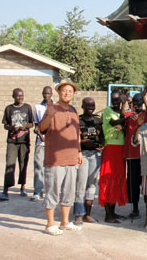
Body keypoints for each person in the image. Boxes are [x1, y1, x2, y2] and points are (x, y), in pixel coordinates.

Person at [39, 79, 83, 235]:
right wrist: (49, 117)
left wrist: (79, 151)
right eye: (64, 90)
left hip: (71, 158)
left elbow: (77, 134)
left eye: (70, 91)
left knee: (69, 192)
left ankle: (65, 222)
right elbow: (42, 128)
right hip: (55, 159)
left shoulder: (73, 110)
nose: (67, 93)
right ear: (58, 92)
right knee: (53, 191)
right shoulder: (52, 108)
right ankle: (50, 224)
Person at [0, 88, 34, 201]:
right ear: (13, 96)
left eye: (22, 96)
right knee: (9, 164)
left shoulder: (27, 107)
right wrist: (12, 127)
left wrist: (25, 126)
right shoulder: (9, 109)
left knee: (23, 164)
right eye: (18, 96)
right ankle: (5, 190)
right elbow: (5, 125)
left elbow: (31, 123)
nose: (20, 98)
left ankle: (22, 187)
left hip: (24, 141)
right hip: (12, 141)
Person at [98, 90, 128, 223]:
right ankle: (108, 215)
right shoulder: (108, 111)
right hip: (111, 148)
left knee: (118, 179)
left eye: (119, 100)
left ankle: (113, 212)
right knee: (108, 179)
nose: (116, 103)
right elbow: (114, 123)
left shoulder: (121, 112)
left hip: (120, 148)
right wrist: (126, 119)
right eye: (114, 100)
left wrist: (124, 107)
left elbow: (124, 124)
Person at [73, 97, 104, 224]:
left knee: (92, 185)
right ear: (82, 107)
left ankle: (87, 214)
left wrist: (101, 144)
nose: (91, 108)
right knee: (81, 185)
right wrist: (84, 143)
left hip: (96, 154)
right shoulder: (78, 121)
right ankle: (78, 215)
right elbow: (75, 138)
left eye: (93, 106)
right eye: (88, 106)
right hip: (83, 155)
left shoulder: (97, 120)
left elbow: (102, 135)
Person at [124, 93, 146, 219]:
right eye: (136, 104)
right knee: (133, 183)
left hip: (144, 153)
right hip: (132, 155)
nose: (138, 106)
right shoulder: (129, 115)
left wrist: (146, 99)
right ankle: (135, 208)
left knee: (146, 183)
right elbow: (123, 118)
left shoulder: (146, 114)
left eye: (140, 103)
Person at [30, 86, 53, 202]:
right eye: (44, 93)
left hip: (53, 143)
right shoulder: (37, 107)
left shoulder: (56, 107)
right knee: (39, 166)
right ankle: (37, 191)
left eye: (48, 93)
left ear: (52, 94)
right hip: (41, 142)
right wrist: (41, 137)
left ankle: (50, 191)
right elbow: (36, 126)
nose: (46, 96)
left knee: (52, 168)